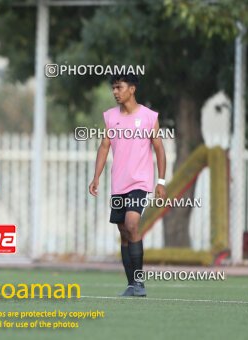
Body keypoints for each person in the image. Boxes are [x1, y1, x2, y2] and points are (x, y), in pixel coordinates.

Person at [88, 74, 166, 297]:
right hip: (118, 184)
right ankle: (132, 283)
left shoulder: (149, 117)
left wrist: (161, 181)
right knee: (123, 232)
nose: (115, 92)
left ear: (131, 89)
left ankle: (139, 282)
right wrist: (96, 177)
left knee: (132, 224)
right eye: (113, 88)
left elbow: (159, 149)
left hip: (140, 182)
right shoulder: (111, 117)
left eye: (118, 87)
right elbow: (104, 147)